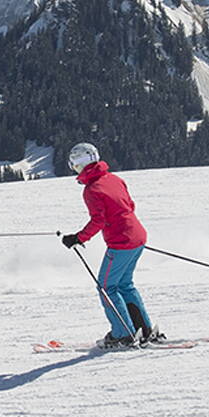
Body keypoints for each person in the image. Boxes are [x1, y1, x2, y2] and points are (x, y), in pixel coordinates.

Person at [60, 142, 165, 348]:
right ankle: (142, 329)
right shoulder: (114, 179)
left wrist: (78, 238)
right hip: (138, 236)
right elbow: (129, 205)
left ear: (79, 165)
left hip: (121, 243)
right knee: (124, 285)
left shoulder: (92, 190)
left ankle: (122, 334)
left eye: (74, 165)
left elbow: (98, 220)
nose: (74, 169)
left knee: (106, 287)